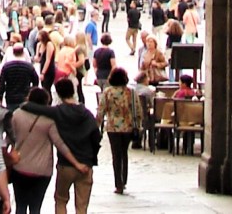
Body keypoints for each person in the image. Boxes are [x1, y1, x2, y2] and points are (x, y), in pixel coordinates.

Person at [23, 78, 101, 214]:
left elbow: (29, 107)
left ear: (58, 94)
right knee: (82, 206)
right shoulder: (87, 114)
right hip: (86, 164)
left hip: (65, 164)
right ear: (73, 91)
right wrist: (91, 158)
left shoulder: (58, 112)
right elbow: (96, 136)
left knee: (61, 200)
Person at [11, 87, 89, 214]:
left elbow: (9, 138)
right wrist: (76, 163)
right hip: (42, 170)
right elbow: (60, 144)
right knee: (35, 207)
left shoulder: (17, 114)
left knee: (20, 206)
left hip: (20, 167)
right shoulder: (49, 119)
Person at [96, 67, 142, 195]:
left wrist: (97, 125)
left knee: (116, 155)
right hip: (128, 127)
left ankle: (118, 183)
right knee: (124, 152)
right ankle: (124, 179)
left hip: (113, 127)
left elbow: (101, 110)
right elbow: (138, 110)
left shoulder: (107, 92)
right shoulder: (131, 92)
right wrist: (138, 125)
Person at [0, 42, 39, 111]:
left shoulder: (6, 67)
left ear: (13, 52)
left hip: (10, 98)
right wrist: (31, 93)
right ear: (23, 53)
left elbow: (1, 84)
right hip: (25, 97)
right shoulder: (29, 67)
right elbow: (36, 81)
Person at [35, 29, 55, 93]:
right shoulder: (39, 44)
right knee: (43, 86)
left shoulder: (49, 44)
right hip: (42, 66)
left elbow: (48, 60)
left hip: (49, 68)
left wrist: (43, 73)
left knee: (47, 87)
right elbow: (37, 58)